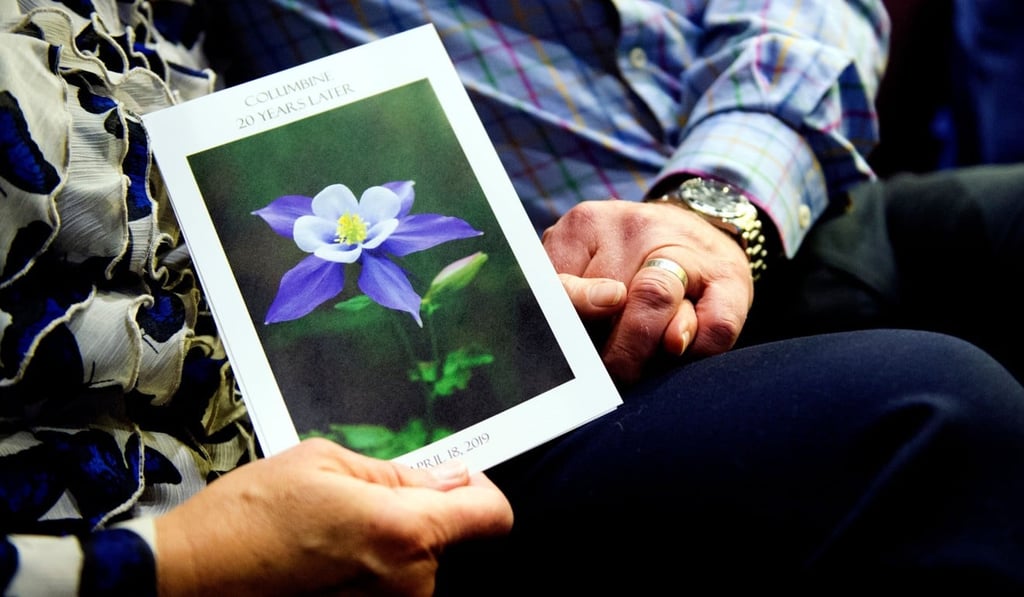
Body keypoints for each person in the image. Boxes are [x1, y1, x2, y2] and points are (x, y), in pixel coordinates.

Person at [3, 1, 1024, 595]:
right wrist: (172, 562)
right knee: (934, 412)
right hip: (535, 346)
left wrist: (720, 200)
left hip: (773, 206)